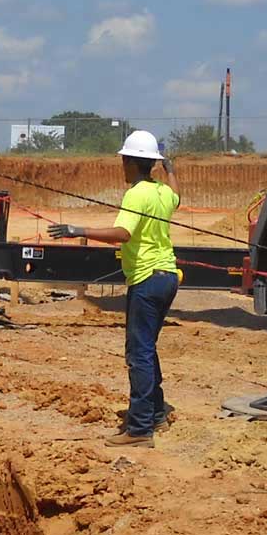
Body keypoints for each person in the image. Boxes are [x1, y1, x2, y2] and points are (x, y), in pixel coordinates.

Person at [48, 130, 181, 449]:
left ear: (133, 162)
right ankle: (156, 413)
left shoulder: (137, 194)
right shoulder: (162, 191)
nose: (121, 165)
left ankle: (139, 429)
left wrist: (77, 231)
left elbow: (123, 233)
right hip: (167, 277)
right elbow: (177, 196)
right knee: (147, 348)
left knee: (139, 354)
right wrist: (172, 170)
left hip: (147, 279)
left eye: (124, 159)